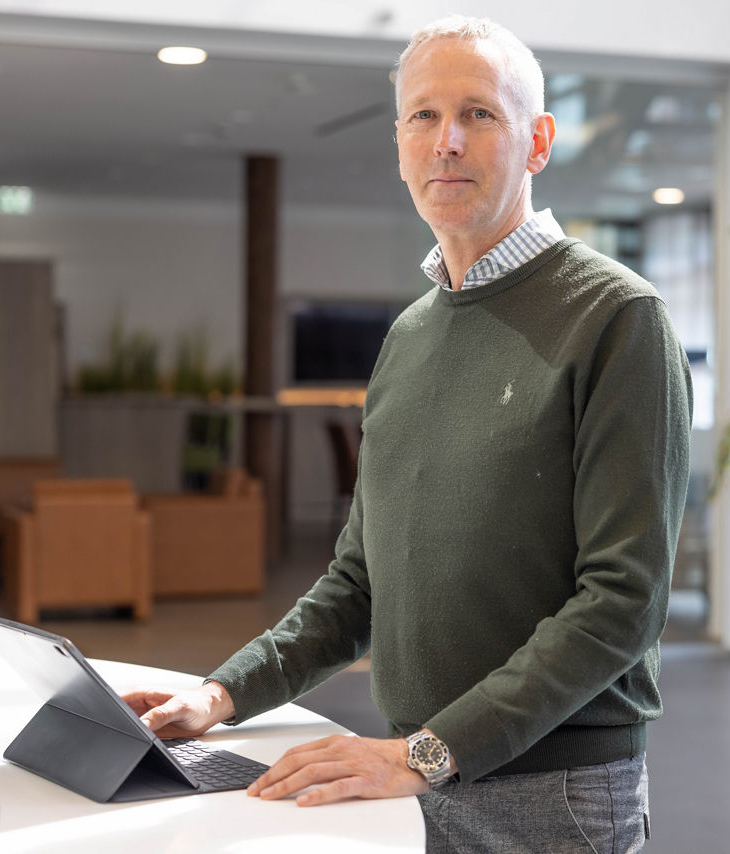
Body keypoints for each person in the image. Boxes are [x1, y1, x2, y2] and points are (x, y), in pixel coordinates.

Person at [123, 15, 691, 853]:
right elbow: (359, 583)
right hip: (419, 776)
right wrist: (221, 694)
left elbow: (621, 603)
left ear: (537, 142)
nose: (446, 140)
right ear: (399, 142)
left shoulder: (617, 317)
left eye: (479, 115)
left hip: (550, 794)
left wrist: (427, 754)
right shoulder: (412, 335)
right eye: (423, 116)